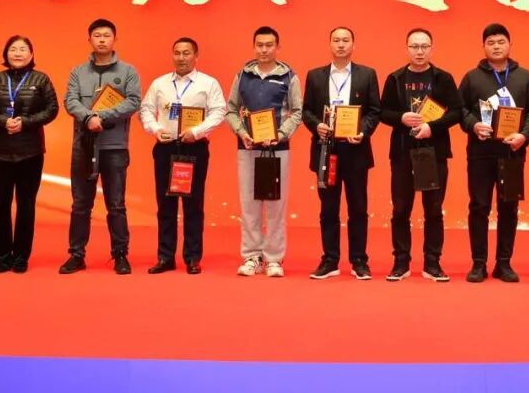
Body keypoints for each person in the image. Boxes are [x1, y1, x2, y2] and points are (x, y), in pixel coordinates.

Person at [458, 23, 529, 283]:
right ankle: (479, 263)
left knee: (509, 208)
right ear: (483, 47)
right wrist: (474, 125)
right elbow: (460, 109)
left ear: (510, 44)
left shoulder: (523, 76)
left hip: (512, 152)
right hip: (480, 153)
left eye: (501, 42)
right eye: (491, 42)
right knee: (479, 207)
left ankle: (504, 263)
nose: (496, 47)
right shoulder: (472, 77)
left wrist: (524, 136)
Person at [379, 27, 462, 282]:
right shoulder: (395, 78)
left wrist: (431, 127)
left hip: (433, 152)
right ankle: (401, 263)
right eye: (414, 46)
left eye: (424, 46)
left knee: (434, 210)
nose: (419, 51)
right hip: (403, 152)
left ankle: (432, 263)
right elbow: (382, 112)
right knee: (400, 209)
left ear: (431, 49)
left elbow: (456, 112)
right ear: (407, 48)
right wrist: (401, 118)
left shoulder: (443, 78)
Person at [60, 18, 141, 275]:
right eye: (97, 35)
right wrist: (88, 118)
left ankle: (120, 254)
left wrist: (101, 117)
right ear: (90, 40)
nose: (102, 39)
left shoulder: (128, 71)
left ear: (115, 39)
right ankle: (76, 255)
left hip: (114, 146)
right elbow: (70, 100)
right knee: (80, 204)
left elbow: (133, 101)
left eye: (107, 35)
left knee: (116, 204)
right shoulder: (78, 72)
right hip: (84, 146)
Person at [139, 37, 226, 275]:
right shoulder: (159, 83)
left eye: (186, 53)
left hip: (194, 148)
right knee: (165, 205)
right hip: (166, 147)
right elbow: (146, 109)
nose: (181, 57)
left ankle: (192, 257)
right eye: (177, 53)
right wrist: (156, 129)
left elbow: (219, 112)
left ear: (196, 56)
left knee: (193, 205)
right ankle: (165, 256)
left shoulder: (208, 83)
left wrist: (196, 132)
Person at [302, 27, 381, 280]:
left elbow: (374, 111)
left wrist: (362, 131)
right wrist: (317, 125)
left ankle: (359, 260)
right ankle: (330, 259)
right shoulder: (315, 76)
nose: (341, 45)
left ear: (353, 45)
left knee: (358, 208)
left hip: (355, 149)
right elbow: (306, 111)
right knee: (328, 209)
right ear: (329, 44)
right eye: (336, 40)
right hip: (326, 150)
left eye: (345, 40)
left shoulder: (367, 74)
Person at [224, 26, 303, 278]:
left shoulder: (289, 76)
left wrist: (280, 134)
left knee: (276, 205)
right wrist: (241, 132)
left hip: (277, 150)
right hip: (248, 148)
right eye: (260, 45)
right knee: (249, 204)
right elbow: (231, 109)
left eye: (269, 45)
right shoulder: (243, 75)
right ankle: (252, 256)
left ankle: (274, 259)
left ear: (278, 47)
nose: (264, 50)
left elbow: (297, 112)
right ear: (254, 46)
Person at [0, 35, 59, 273]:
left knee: (26, 204)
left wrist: (26, 122)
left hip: (30, 151)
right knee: (0, 204)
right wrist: (1, 120)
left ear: (31, 54)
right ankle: (1, 255)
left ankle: (21, 256)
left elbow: (52, 109)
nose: (18, 53)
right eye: (13, 49)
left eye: (23, 49)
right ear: (6, 54)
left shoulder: (41, 79)